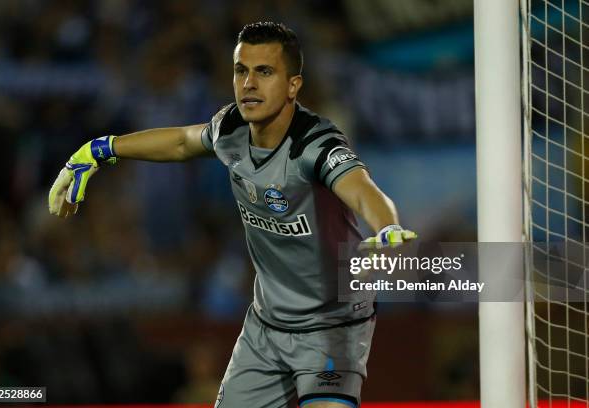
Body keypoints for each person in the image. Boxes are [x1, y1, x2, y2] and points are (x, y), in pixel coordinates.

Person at [48, 22, 416, 408]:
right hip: (267, 327)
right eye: (242, 70)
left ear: (293, 85)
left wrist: (388, 226)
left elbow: (362, 189)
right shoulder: (231, 129)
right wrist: (100, 149)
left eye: (265, 71)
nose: (249, 83)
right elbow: (180, 142)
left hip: (331, 327)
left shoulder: (315, 146)